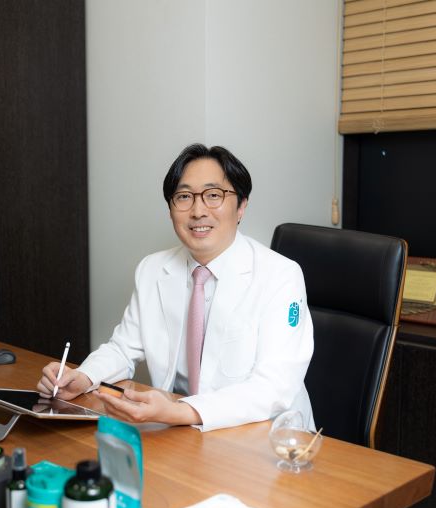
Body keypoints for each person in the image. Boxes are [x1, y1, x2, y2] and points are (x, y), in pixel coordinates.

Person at [37, 143, 314, 431]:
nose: (198, 211)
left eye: (213, 195)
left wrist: (180, 411)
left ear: (241, 206)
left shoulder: (280, 276)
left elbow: (274, 387)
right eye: (184, 197)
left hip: (265, 436)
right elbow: (122, 349)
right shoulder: (152, 269)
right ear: (170, 209)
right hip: (181, 432)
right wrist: (82, 377)